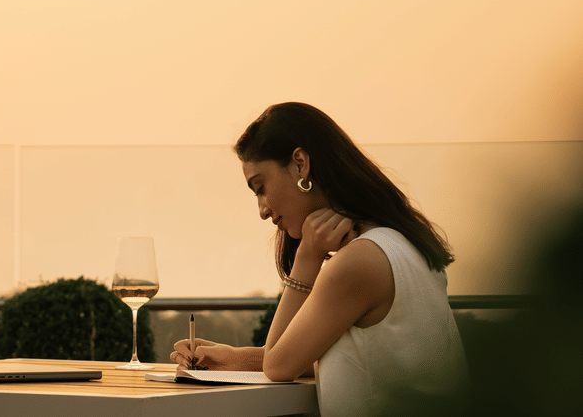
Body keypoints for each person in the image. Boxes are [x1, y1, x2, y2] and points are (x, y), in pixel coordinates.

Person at [170, 102, 469, 416]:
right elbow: (318, 356)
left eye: (261, 188)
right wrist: (232, 358)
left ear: (300, 164)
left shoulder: (358, 263)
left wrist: (307, 258)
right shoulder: (399, 242)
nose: (262, 210)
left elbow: (278, 366)